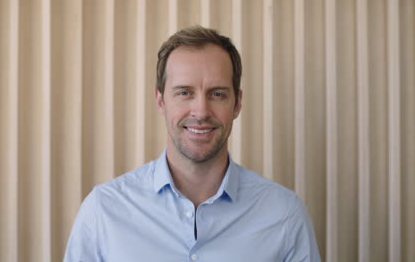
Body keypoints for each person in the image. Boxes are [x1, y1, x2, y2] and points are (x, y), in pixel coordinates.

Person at [64, 25, 320, 262]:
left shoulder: (285, 215)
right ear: (161, 100)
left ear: (237, 103)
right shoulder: (103, 211)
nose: (200, 111)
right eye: (184, 92)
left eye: (217, 94)